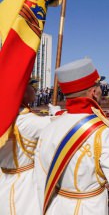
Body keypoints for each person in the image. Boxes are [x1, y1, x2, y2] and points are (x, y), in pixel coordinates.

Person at [34, 58, 109, 215]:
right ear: (94, 92)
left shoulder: (49, 127)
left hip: (55, 207)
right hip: (89, 208)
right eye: (99, 85)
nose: (101, 90)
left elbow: (39, 179)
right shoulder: (102, 132)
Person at [0, 79, 58, 215]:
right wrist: (56, 113)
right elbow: (63, 125)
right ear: (22, 92)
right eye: (31, 86)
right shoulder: (27, 120)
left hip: (4, 177)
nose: (35, 89)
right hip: (25, 183)